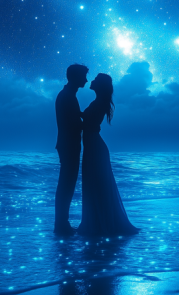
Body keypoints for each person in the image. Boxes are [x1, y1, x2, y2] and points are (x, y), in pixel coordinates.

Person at [77, 73, 139, 237]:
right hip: (93, 146)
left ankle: (100, 224)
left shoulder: (99, 103)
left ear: (100, 85)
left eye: (96, 80)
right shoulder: (99, 102)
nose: (92, 81)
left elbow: (87, 123)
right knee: (96, 185)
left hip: (95, 148)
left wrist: (74, 112)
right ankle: (98, 222)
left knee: (97, 184)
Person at [54, 63, 88, 235]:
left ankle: (61, 222)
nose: (86, 80)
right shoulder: (67, 96)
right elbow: (73, 124)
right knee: (66, 184)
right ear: (76, 77)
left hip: (68, 144)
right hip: (69, 145)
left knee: (67, 183)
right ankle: (61, 223)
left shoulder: (67, 95)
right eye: (83, 76)